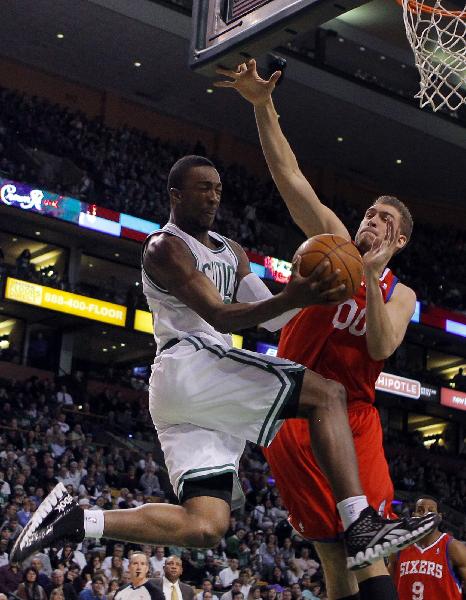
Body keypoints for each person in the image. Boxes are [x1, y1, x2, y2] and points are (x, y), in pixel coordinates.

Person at [12, 156, 437, 571]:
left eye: (218, 189)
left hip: (193, 393)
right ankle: (359, 522)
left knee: (206, 526)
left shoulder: (232, 252)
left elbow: (271, 317)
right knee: (328, 394)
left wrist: (319, 288)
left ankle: (74, 521)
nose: (214, 197)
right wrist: (298, 296)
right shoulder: (165, 247)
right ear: (175, 196)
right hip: (190, 362)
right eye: (203, 188)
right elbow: (219, 314)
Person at [215, 59, 429, 599]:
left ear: (399, 239)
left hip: (356, 419)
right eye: (371, 213)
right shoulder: (331, 243)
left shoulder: (400, 293)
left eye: (385, 220)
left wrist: (375, 279)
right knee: (335, 562)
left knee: (374, 554)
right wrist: (263, 106)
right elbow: (289, 175)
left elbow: (381, 345)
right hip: (297, 406)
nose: (372, 221)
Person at [388, 496, 466, 599]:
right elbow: (387, 588)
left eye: (431, 511)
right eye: (420, 510)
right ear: (413, 515)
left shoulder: (453, 547)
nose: (425, 514)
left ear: (439, 516)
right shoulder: (399, 548)